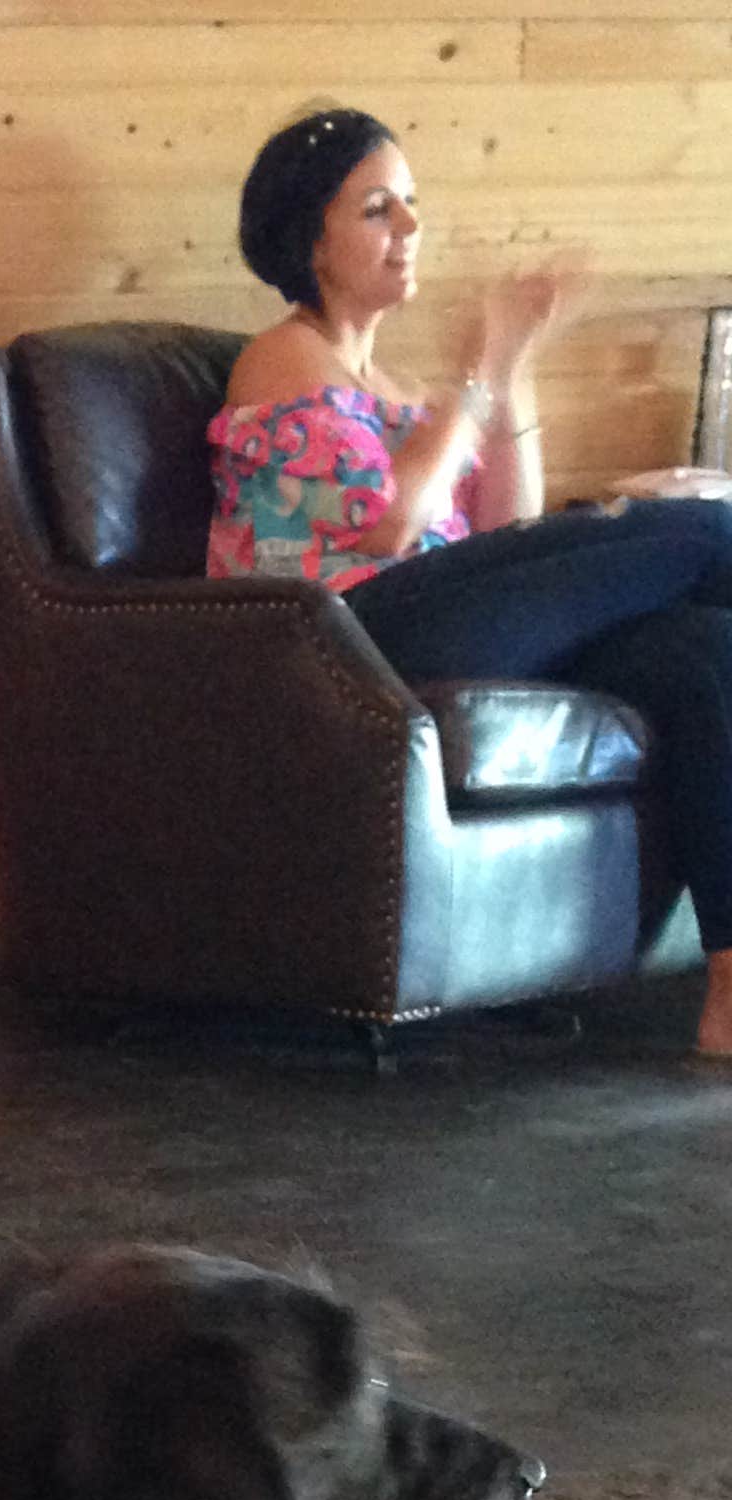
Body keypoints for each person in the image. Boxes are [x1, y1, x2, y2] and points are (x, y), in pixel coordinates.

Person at [212, 105, 732, 1052]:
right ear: (311, 241)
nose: (409, 228)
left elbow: (510, 532)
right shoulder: (285, 359)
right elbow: (389, 522)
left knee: (704, 648)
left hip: (441, 616)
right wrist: (480, 376)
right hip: (351, 637)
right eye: (377, 209)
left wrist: (514, 365)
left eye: (411, 204)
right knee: (710, 534)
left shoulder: (411, 394)